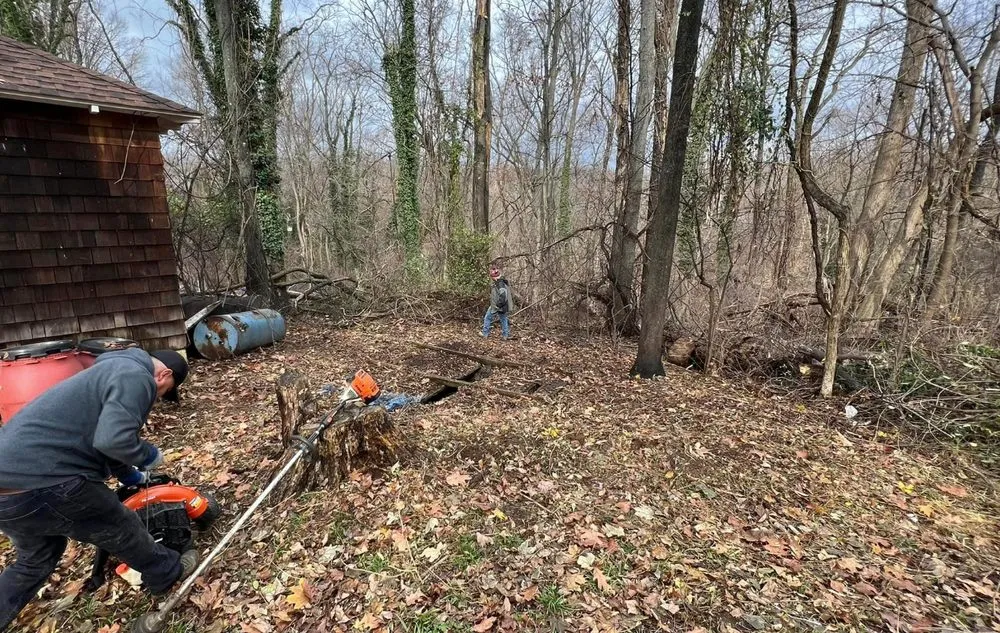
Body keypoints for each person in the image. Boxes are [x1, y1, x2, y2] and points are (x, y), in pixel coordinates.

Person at [0, 347, 196, 631]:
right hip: (46, 480)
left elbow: (97, 435)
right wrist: (149, 456)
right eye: (165, 391)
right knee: (118, 524)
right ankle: (166, 572)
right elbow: (113, 440)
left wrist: (129, 475)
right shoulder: (137, 376)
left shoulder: (106, 371)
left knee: (35, 558)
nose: (159, 398)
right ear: (164, 374)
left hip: (7, 488)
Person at [481, 263, 513, 340]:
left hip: (497, 305)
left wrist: (498, 305)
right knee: (503, 319)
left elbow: (503, 296)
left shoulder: (500, 283)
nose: (492, 278)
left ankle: (485, 334)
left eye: (492, 277)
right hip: (499, 305)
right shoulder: (499, 282)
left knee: (487, 318)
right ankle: (505, 335)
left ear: (494, 277)